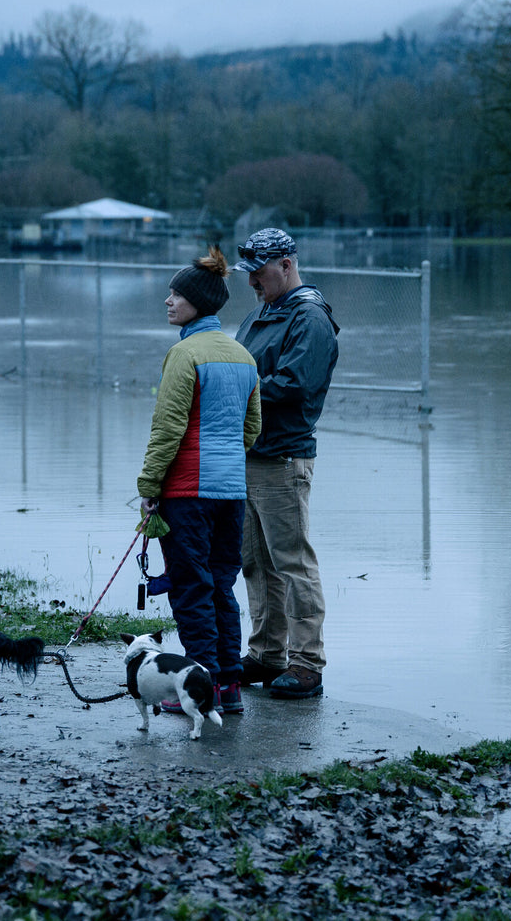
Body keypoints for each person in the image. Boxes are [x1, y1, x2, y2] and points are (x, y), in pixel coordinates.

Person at [136, 246, 262, 715]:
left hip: (186, 493)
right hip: (231, 494)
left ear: (198, 303)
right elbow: (252, 429)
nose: (168, 301)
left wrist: (149, 486)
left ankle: (198, 689)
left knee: (191, 589)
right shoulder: (243, 356)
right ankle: (228, 687)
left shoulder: (184, 354)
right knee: (221, 586)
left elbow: (167, 428)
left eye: (176, 295)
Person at [233, 228, 339, 700]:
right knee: (256, 563)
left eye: (259, 272)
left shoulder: (309, 317)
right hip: (248, 454)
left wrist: (235, 393)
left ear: (286, 264)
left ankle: (307, 663)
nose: (253, 282)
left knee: (292, 562)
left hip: (283, 457)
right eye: (249, 274)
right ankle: (266, 654)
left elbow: (295, 383)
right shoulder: (263, 314)